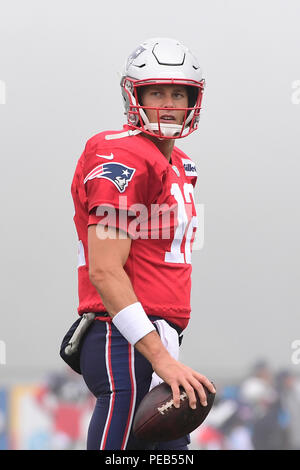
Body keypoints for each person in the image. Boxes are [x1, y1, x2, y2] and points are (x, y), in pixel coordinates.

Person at [70, 37, 216, 450]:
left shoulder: (180, 163)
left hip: (154, 341)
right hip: (124, 337)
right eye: (156, 92)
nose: (168, 103)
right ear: (135, 95)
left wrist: (164, 352)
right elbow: (104, 268)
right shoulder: (123, 154)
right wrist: (160, 355)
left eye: (178, 92)